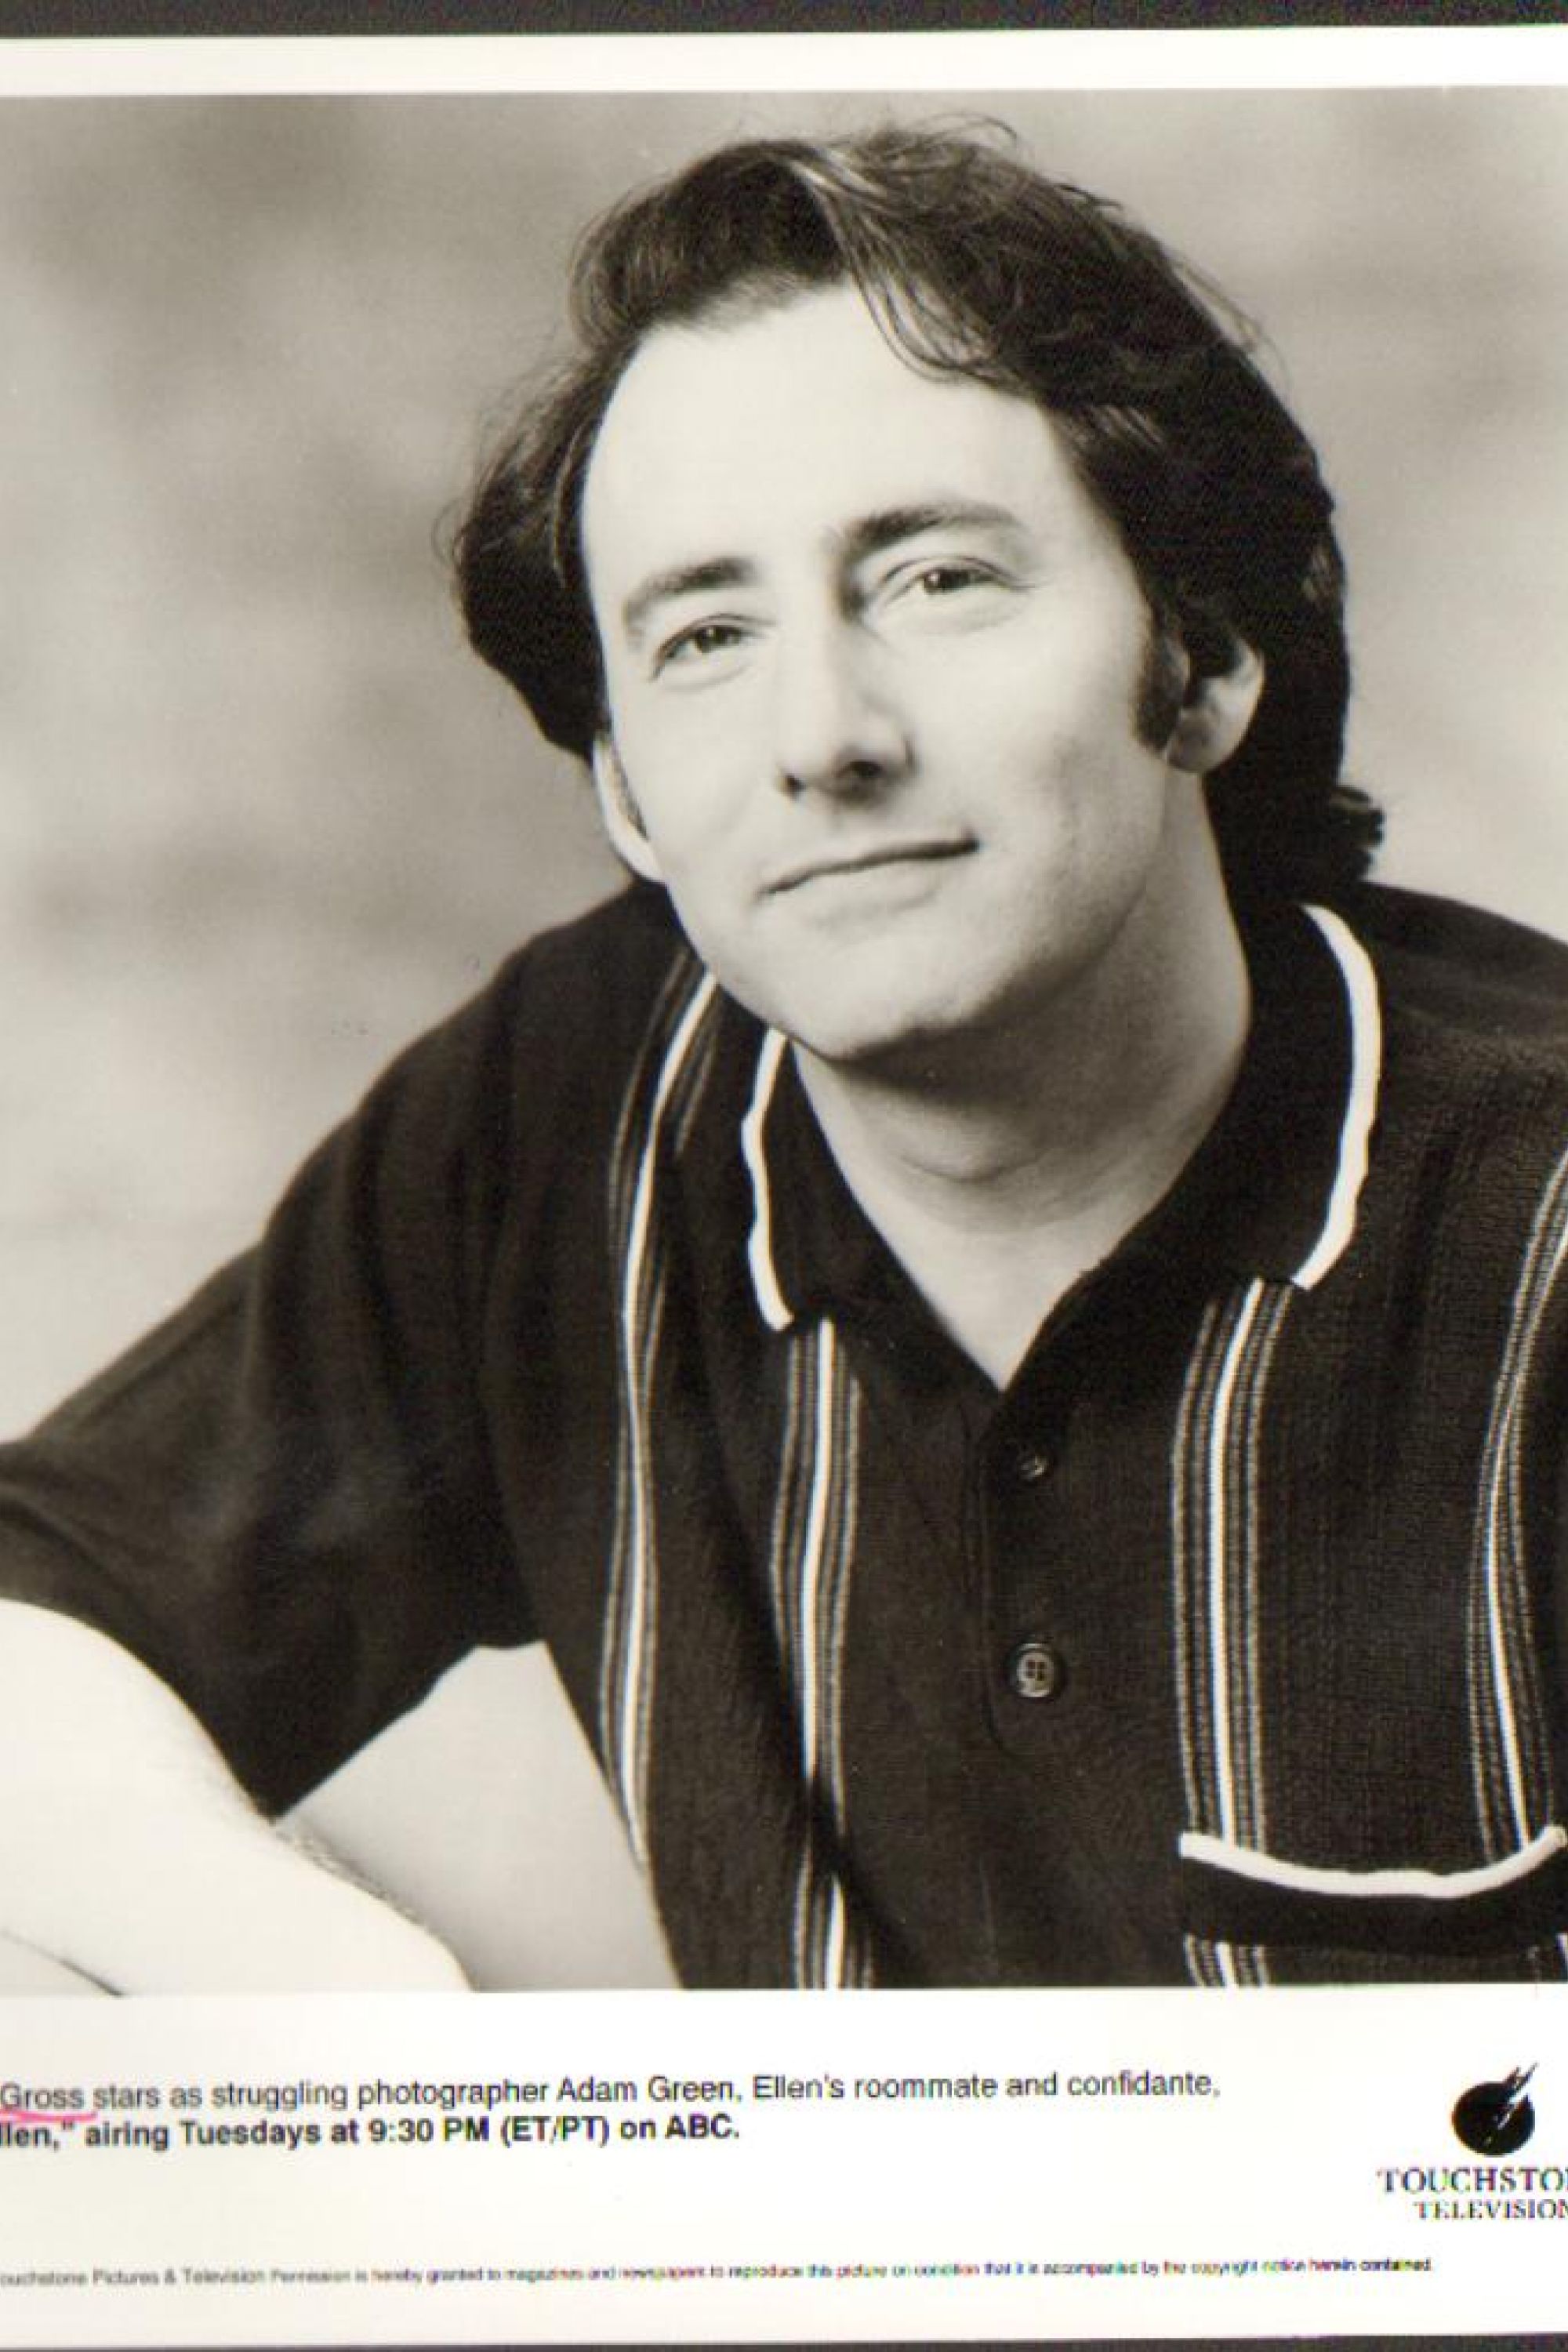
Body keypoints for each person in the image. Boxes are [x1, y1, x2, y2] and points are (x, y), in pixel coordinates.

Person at [2, 122, 1567, 1993]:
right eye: (707, 635)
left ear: (1205, 659)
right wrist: (349, 2009)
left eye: (936, 581)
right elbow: (47, 1618)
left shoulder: (1536, 1210)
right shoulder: (564, 1116)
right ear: (626, 797)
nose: (822, 736)